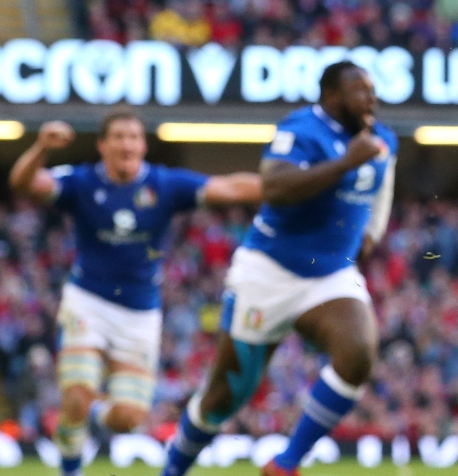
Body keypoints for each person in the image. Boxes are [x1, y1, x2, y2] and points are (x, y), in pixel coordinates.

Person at [160, 61, 398, 476]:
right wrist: (344, 163)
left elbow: (381, 187)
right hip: (270, 271)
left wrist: (371, 235)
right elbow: (275, 187)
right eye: (360, 90)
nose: (371, 99)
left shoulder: (382, 138)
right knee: (225, 397)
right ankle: (173, 469)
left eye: (372, 90)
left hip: (329, 275)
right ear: (331, 95)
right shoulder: (301, 129)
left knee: (358, 352)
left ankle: (286, 464)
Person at [7, 110, 261, 476]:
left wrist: (288, 187)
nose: (127, 144)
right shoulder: (82, 182)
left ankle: (89, 412)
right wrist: (41, 148)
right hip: (88, 302)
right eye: (119, 137)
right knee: (77, 391)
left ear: (143, 145)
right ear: (102, 145)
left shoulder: (165, 185)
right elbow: (23, 183)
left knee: (128, 418)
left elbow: (231, 188)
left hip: (139, 313)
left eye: (134, 137)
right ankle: (70, 467)